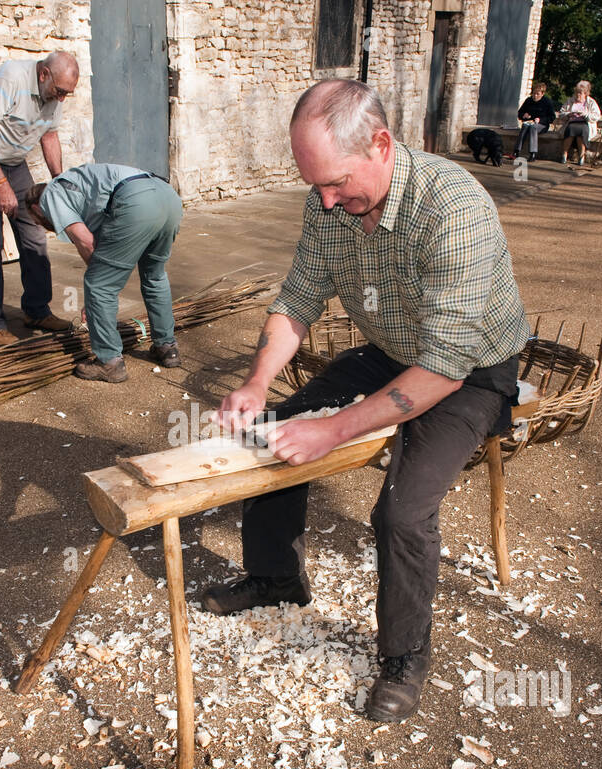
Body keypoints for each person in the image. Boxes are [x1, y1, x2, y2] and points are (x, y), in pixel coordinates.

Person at [203, 79, 530, 723]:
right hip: (391, 350)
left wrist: (337, 430)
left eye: (337, 183)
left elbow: (442, 365)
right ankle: (277, 578)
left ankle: (404, 656)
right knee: (274, 432)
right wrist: (256, 383)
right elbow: (298, 299)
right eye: (315, 184)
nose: (325, 200)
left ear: (381, 144)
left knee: (402, 513)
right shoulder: (327, 203)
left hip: (472, 372)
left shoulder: (453, 206)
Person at [0, 51, 79, 347]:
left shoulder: (54, 96)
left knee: (34, 234)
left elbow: (49, 137)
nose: (62, 98)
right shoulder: (10, 78)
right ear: (43, 75)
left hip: (14, 161)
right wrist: (0, 184)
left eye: (68, 94)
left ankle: (36, 311)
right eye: (60, 91)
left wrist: (60, 182)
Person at [24, 165, 183, 382]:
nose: (42, 225)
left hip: (136, 202)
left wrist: (98, 295)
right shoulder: (77, 186)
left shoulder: (50, 195)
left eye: (37, 220)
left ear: (35, 207)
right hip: (168, 196)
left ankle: (109, 363)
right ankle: (167, 347)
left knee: (99, 285)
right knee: (154, 275)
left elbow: (86, 242)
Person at [557, 80, 601, 166]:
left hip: (585, 123)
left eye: (580, 93)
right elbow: (561, 113)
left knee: (581, 131)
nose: (578, 95)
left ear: (585, 93)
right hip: (572, 122)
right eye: (577, 93)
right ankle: (564, 154)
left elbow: (597, 115)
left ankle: (581, 156)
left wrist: (585, 114)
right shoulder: (570, 101)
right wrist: (569, 114)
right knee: (570, 129)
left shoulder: (591, 102)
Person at [514, 82, 555, 161]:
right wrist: (524, 115)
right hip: (529, 122)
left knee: (533, 127)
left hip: (542, 125)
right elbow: (520, 113)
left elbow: (552, 117)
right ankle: (516, 150)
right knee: (525, 126)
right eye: (534, 93)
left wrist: (541, 120)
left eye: (537, 94)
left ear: (542, 94)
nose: (535, 96)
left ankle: (532, 153)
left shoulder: (547, 102)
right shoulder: (529, 100)